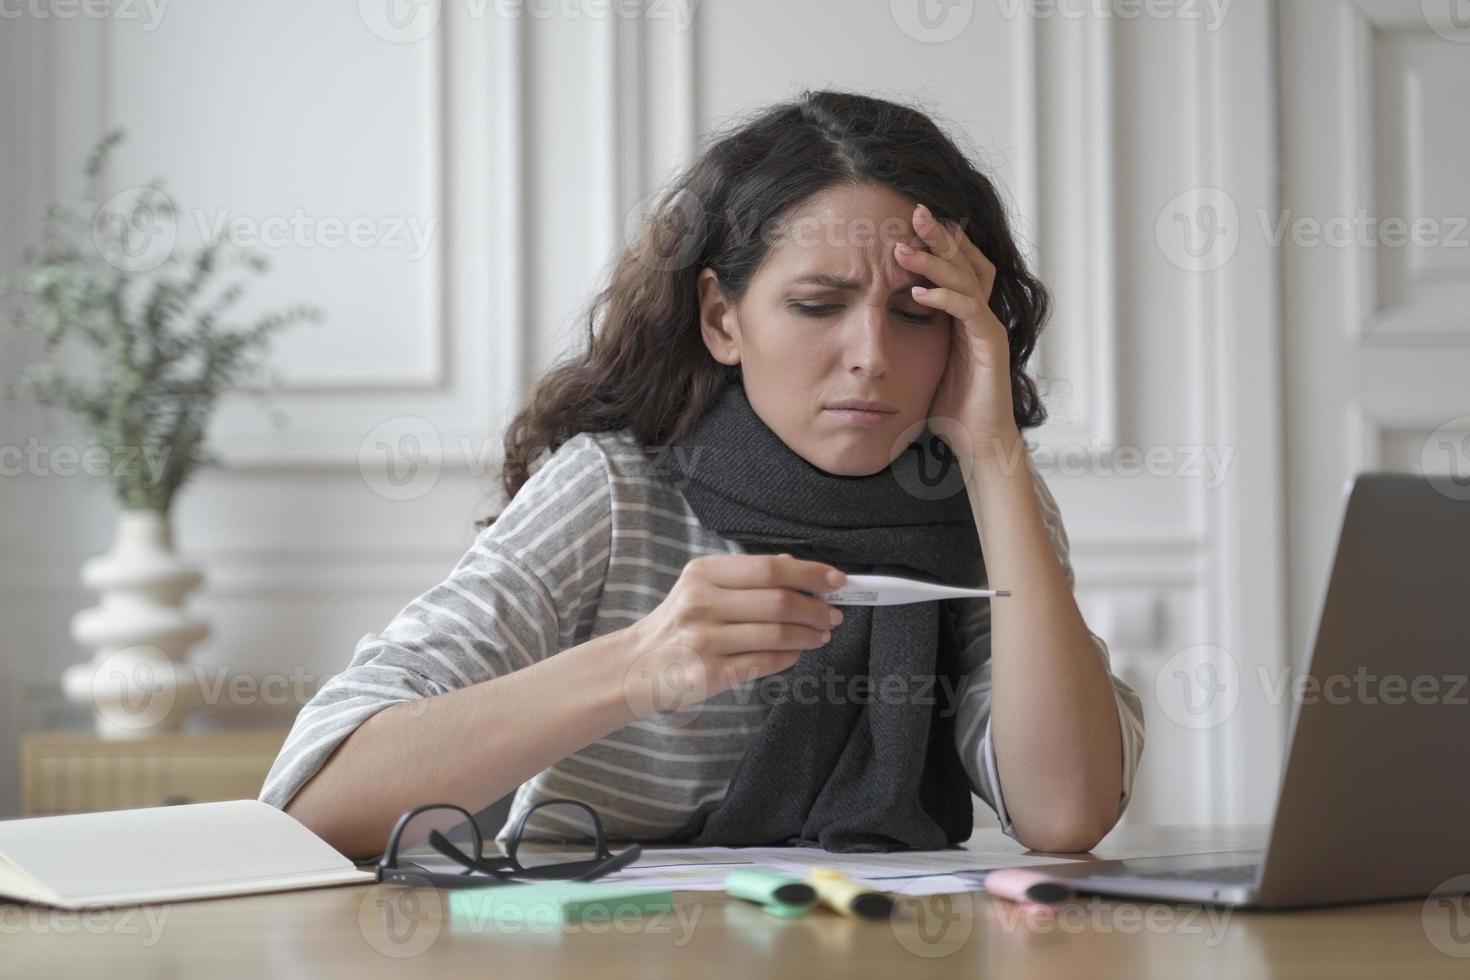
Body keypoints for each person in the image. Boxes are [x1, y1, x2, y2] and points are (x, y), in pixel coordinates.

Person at [260, 89, 1146, 861]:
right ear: (724, 319)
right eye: (816, 305)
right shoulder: (613, 491)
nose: (871, 356)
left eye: (916, 313)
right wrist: (639, 667)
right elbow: (312, 805)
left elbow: (1066, 810)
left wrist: (994, 455)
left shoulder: (991, 500)